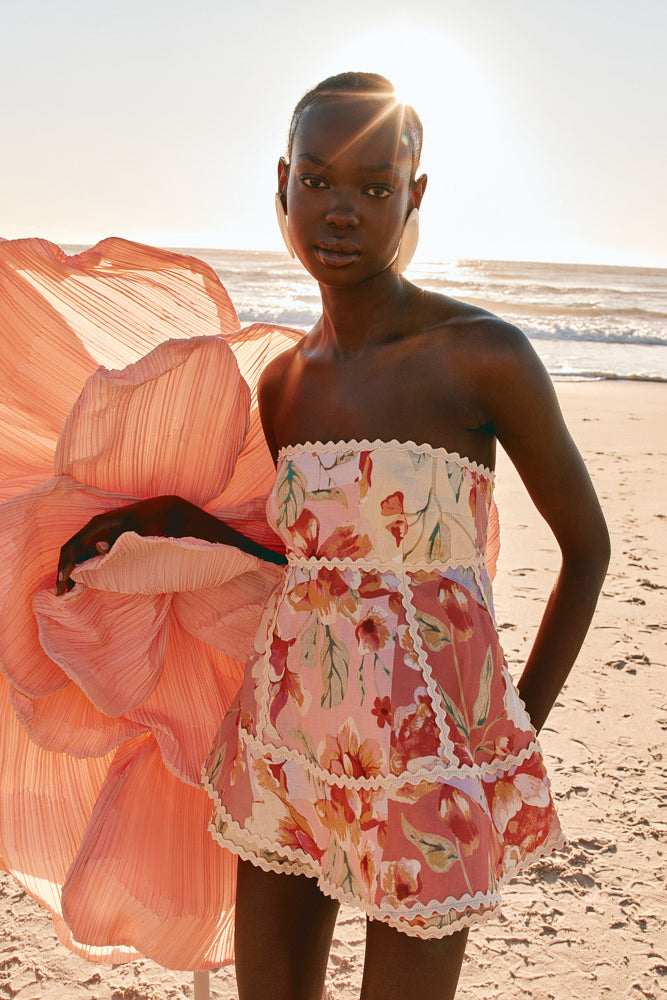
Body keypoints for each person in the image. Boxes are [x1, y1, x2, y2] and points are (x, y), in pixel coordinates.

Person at [56, 73, 610, 1000]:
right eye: (316, 181)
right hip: (285, 736)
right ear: (281, 184)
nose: (340, 211)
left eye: (374, 186)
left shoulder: (480, 355)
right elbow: (318, 566)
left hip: (431, 762)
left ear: (415, 196)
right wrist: (168, 522)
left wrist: (508, 740)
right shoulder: (282, 385)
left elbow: (585, 550)